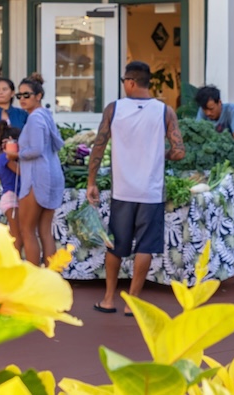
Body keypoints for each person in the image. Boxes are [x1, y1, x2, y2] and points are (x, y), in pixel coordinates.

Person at [88, 61, 185, 315]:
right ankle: (133, 302)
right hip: (151, 193)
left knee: (116, 246)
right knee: (145, 246)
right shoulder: (165, 111)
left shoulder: (114, 109)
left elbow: (98, 147)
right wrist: (157, 154)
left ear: (130, 82)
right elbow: (179, 151)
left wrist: (91, 182)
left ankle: (108, 299)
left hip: (123, 191)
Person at [16, 74, 65, 266]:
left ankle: (33, 281)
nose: (22, 99)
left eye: (26, 95)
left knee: (27, 230)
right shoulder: (46, 115)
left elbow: (35, 149)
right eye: (19, 96)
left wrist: (16, 154)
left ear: (38, 95)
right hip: (52, 174)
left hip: (37, 177)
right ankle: (51, 278)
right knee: (45, 231)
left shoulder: (35, 118)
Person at [0, 123, 23, 254]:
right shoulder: (4, 158)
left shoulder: (5, 157)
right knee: (17, 237)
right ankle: (13, 266)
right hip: (11, 198)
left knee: (16, 234)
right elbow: (21, 172)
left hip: (14, 197)